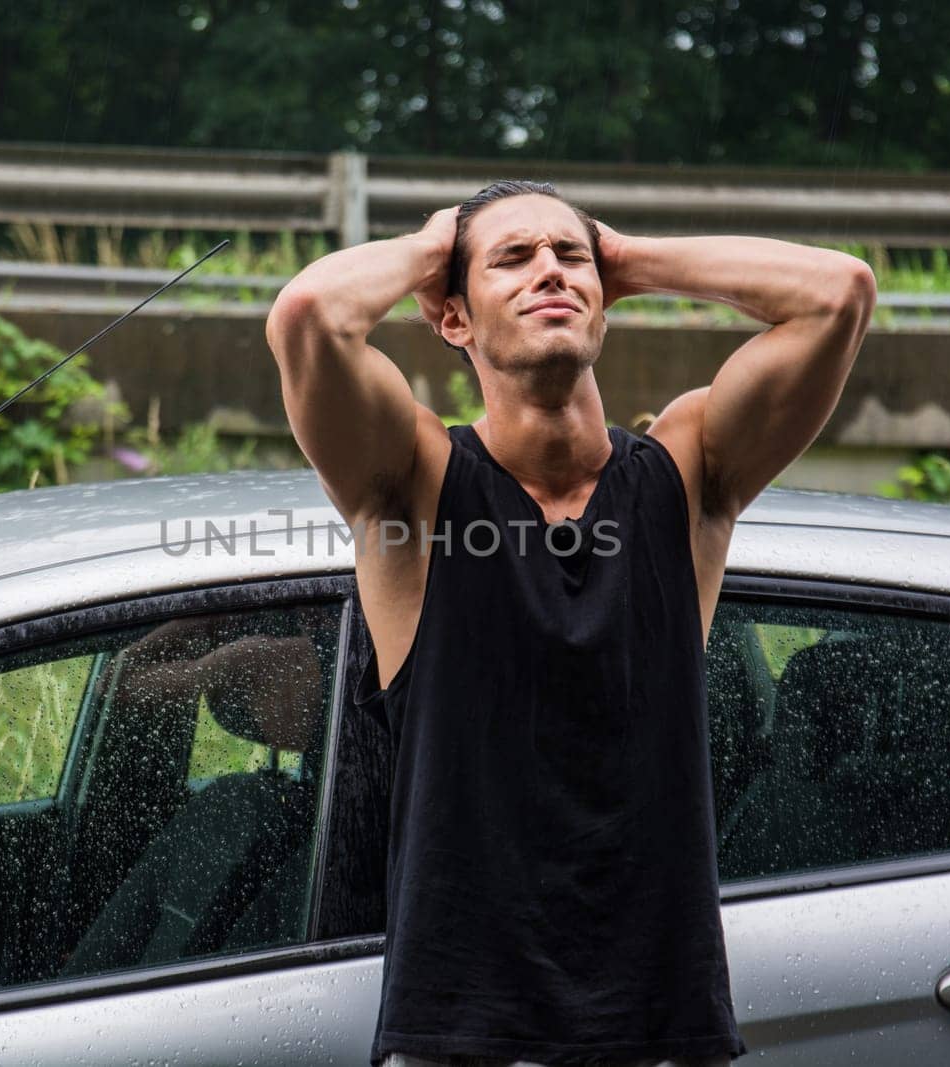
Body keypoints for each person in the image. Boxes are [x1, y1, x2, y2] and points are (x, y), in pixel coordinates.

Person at [265, 180, 876, 1067]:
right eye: (513, 259)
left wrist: (622, 257)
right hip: (460, 1044)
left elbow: (840, 293)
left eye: (568, 257)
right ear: (453, 319)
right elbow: (311, 313)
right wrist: (441, 244)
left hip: (664, 1037)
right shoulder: (414, 487)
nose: (549, 269)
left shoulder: (688, 472)